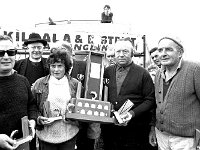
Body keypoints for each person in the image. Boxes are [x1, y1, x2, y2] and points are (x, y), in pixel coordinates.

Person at [101, 37, 155, 150]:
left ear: (132, 53)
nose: (121, 55)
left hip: (135, 130)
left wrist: (131, 114)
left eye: (125, 51)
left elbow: (150, 100)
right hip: (110, 129)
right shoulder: (107, 71)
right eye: (118, 51)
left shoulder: (143, 74)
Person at [149, 37, 200, 150]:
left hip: (186, 140)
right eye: (160, 50)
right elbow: (156, 104)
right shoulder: (158, 73)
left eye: (169, 49)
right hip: (162, 136)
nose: (163, 54)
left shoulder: (194, 70)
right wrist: (153, 128)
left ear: (180, 53)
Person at [51, 41, 100, 150]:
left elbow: (95, 90)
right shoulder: (53, 69)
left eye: (64, 53)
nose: (60, 57)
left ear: (72, 53)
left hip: (82, 122)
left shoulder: (87, 66)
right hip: (60, 125)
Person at [32, 47, 81, 150]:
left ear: (66, 67)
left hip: (69, 133)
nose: (56, 69)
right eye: (53, 66)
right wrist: (39, 119)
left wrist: (72, 114)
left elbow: (81, 108)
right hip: (46, 134)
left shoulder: (75, 84)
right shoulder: (39, 83)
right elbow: (31, 106)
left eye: (60, 66)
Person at [0, 35, 37, 149]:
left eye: (11, 52)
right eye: (1, 53)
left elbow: (31, 105)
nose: (6, 56)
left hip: (23, 145)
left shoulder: (23, 80)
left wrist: (32, 120)